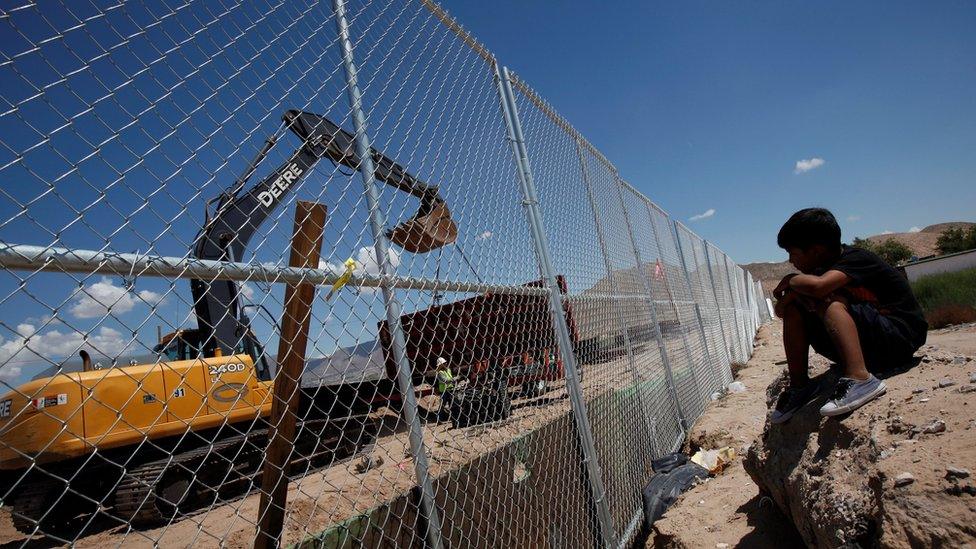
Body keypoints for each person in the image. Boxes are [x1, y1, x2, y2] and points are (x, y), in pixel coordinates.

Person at [770, 208, 927, 423]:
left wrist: (791, 280)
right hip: (873, 344)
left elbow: (819, 288)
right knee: (798, 308)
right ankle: (800, 387)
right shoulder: (819, 270)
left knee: (827, 302)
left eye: (794, 254)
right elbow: (782, 310)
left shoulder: (857, 259)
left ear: (816, 251)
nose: (790, 260)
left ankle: (861, 379)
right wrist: (792, 298)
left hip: (899, 338)